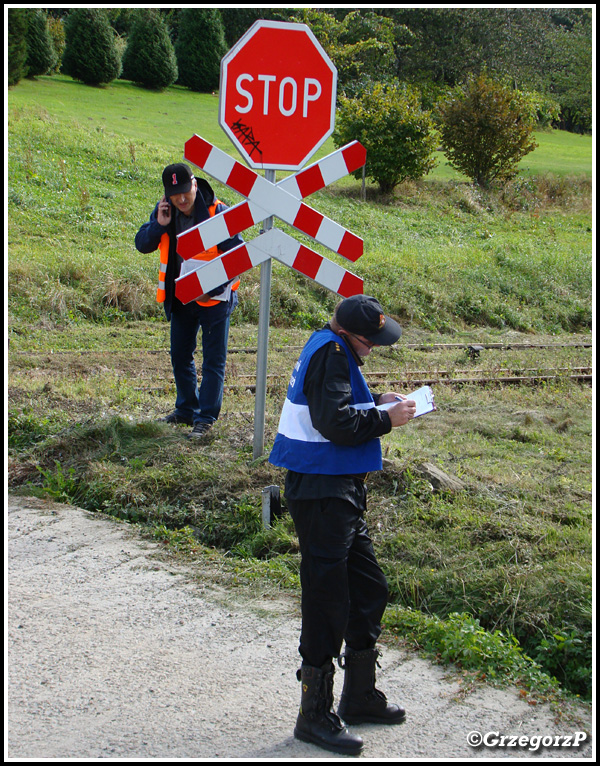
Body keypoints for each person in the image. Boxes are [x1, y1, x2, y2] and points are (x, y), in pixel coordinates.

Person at [269, 294, 417, 756]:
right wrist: (384, 418)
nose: (374, 347)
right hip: (322, 492)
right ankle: (313, 715)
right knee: (326, 600)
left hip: (337, 489)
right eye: (370, 341)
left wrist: (376, 400)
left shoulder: (331, 345)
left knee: (369, 588)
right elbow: (334, 422)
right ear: (350, 333)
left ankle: (358, 695)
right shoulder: (332, 355)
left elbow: (334, 402)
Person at [135, 163, 243, 438]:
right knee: (180, 355)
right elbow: (142, 244)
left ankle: (205, 418)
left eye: (185, 192)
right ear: (166, 195)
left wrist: (211, 288)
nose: (181, 199)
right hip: (181, 298)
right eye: (175, 194)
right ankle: (186, 409)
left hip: (215, 300)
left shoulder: (217, 212)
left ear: (195, 185)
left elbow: (238, 259)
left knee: (213, 361)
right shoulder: (165, 213)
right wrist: (158, 226)